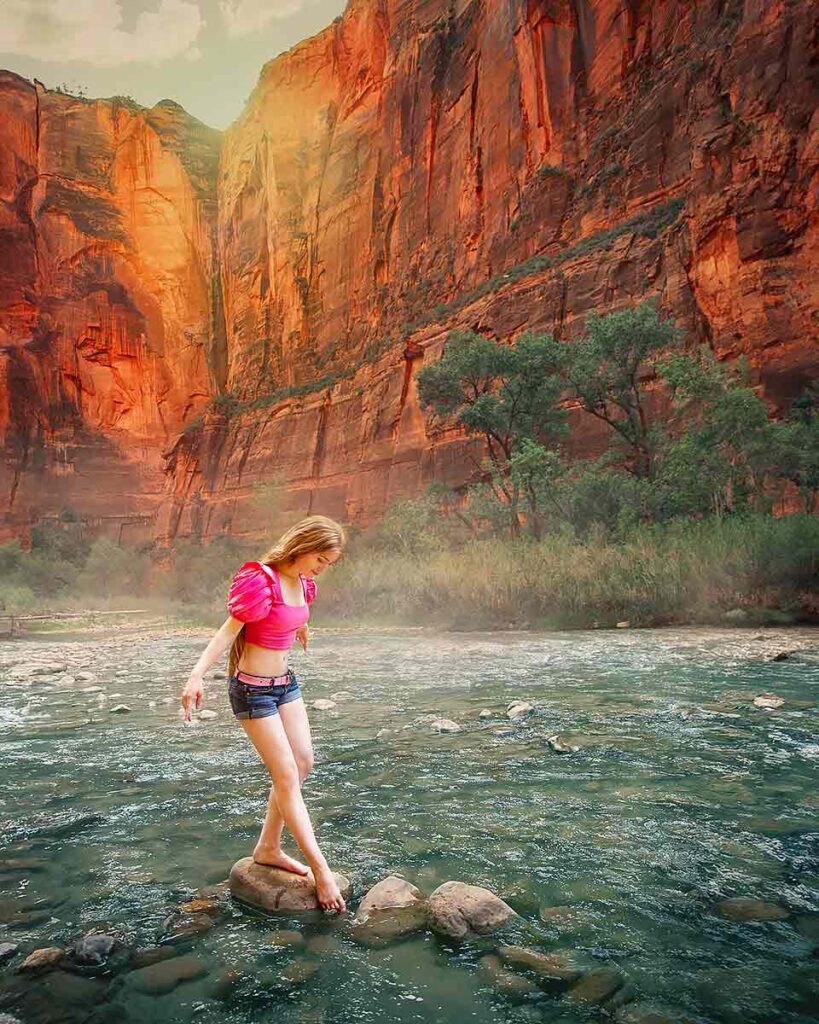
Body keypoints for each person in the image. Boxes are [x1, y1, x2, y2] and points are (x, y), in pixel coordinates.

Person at [181, 514, 347, 913]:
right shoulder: (261, 578)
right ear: (304, 545)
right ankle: (321, 869)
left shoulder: (305, 585)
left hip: (285, 684)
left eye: (328, 563)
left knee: (303, 762)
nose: (322, 569)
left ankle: (268, 847)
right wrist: (196, 676)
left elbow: (290, 616)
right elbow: (229, 630)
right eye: (321, 559)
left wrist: (298, 629)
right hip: (252, 691)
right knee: (287, 775)